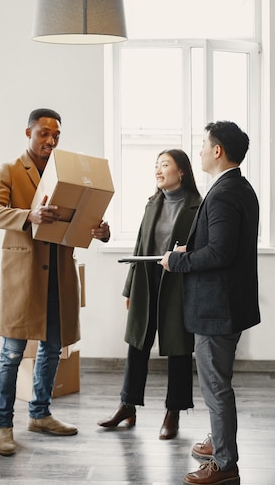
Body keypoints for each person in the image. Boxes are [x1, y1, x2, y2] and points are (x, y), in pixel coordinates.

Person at [0, 108, 110, 456]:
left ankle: (40, 414)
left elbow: (80, 218)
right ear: (28, 133)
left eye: (56, 136)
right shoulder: (8, 170)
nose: (50, 142)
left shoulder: (64, 174)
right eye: (44, 134)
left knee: (53, 348)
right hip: (24, 278)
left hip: (59, 275)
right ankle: (3, 426)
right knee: (11, 354)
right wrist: (28, 215)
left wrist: (100, 230)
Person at [160, 121, 260, 485]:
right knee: (217, 383)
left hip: (217, 307)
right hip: (228, 303)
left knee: (216, 386)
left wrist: (178, 261)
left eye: (203, 145)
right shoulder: (238, 187)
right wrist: (192, 248)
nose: (199, 150)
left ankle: (224, 463)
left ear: (218, 150)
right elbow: (223, 244)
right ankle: (219, 442)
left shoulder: (222, 193)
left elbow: (221, 252)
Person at [98, 149, 202, 439]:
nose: (158, 170)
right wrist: (129, 288)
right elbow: (140, 247)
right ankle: (127, 405)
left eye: (165, 165)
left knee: (179, 350)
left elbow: (200, 250)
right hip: (147, 280)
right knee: (137, 345)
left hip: (178, 284)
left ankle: (174, 412)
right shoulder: (151, 203)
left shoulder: (198, 205)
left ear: (181, 171)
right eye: (156, 166)